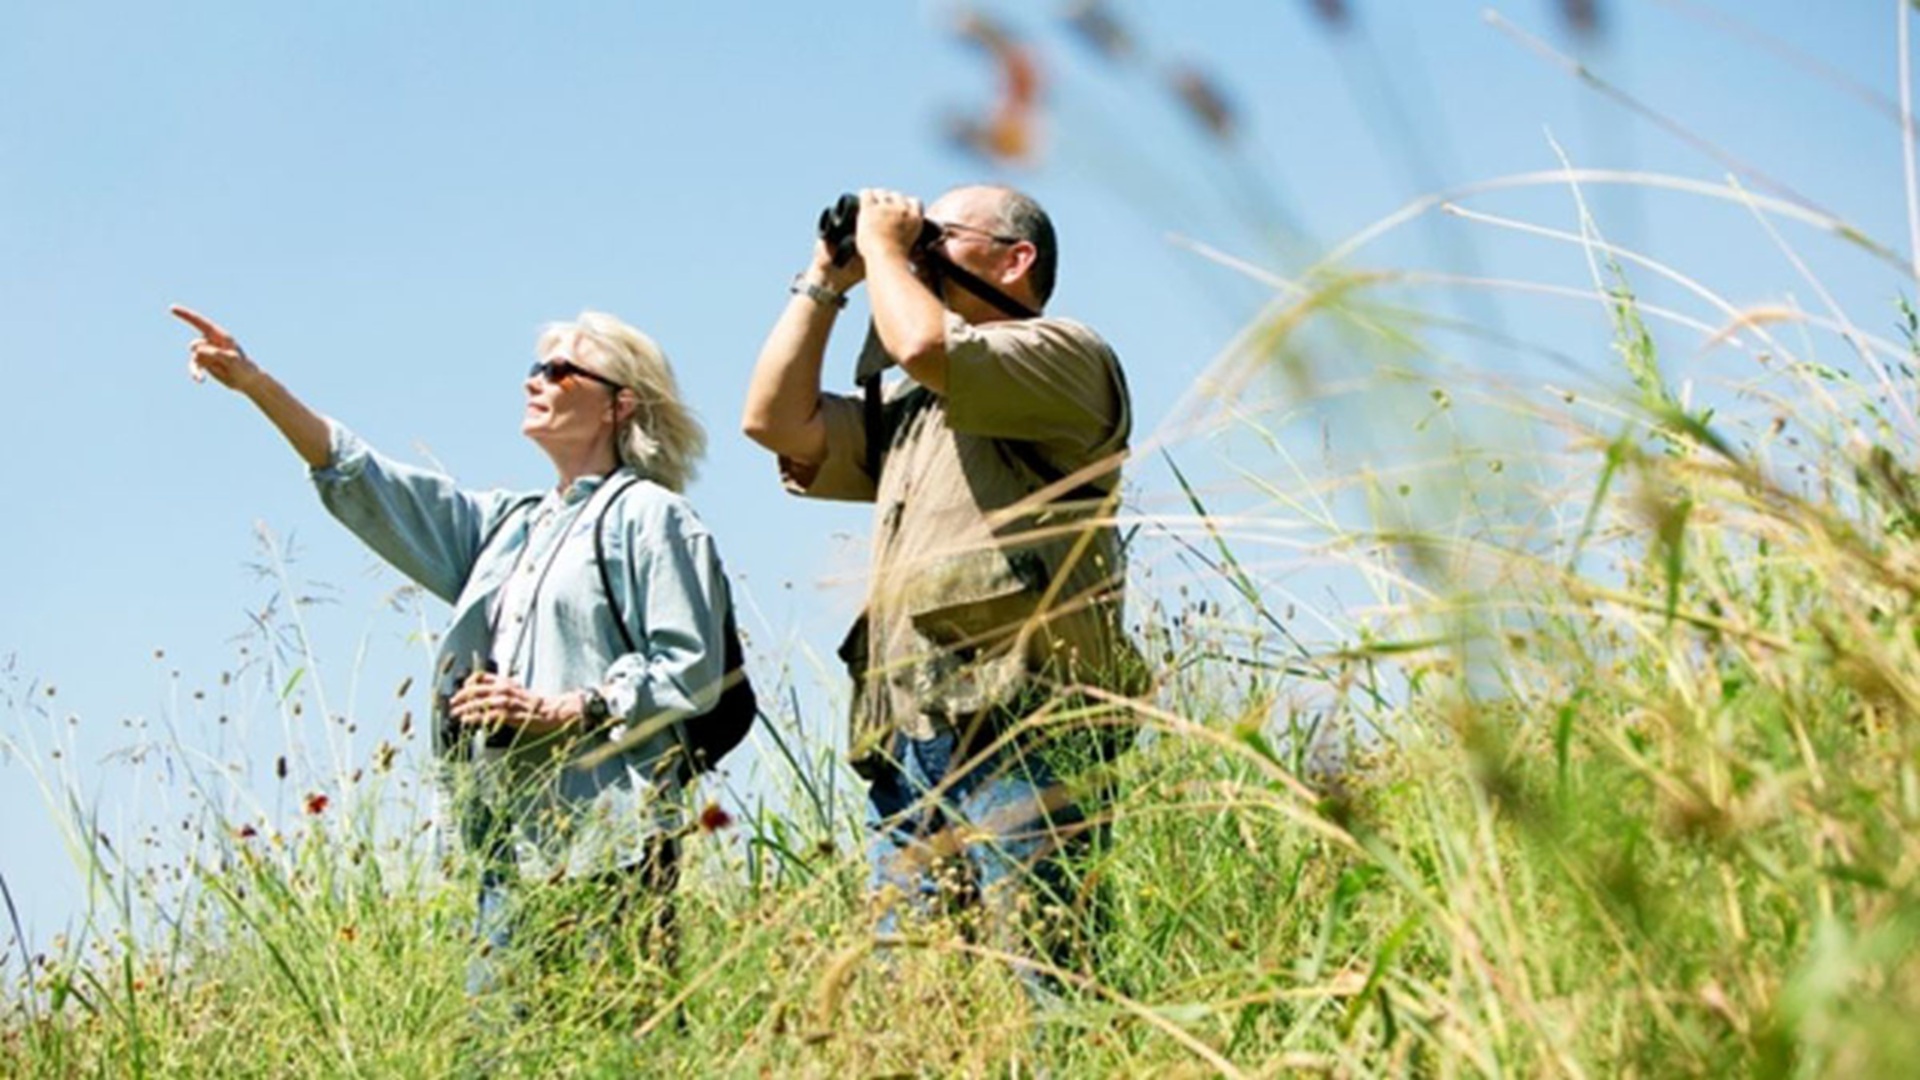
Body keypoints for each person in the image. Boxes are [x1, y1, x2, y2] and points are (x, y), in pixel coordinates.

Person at [173, 305, 731, 1000]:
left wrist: (562, 708)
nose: (536, 382)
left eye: (560, 370)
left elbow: (693, 669)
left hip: (611, 843)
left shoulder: (652, 517)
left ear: (620, 405)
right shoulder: (508, 526)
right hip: (507, 847)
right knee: (494, 1053)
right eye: (535, 367)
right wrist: (257, 385)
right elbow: (364, 480)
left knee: (616, 1043)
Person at [741, 185, 1146, 971]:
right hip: (910, 729)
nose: (919, 245)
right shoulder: (914, 410)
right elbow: (772, 421)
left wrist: (889, 251)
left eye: (940, 234)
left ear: (1015, 259)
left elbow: (927, 347)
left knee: (1048, 973)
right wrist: (826, 278)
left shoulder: (1066, 356)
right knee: (914, 995)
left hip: (1025, 719)